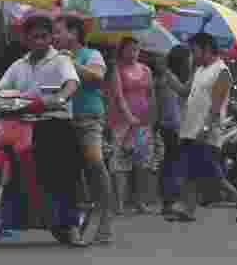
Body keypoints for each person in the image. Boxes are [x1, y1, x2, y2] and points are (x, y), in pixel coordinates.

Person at [0, 15, 84, 245]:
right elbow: (0, 88)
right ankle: (4, 220)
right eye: (35, 37)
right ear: (26, 39)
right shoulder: (18, 65)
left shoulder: (61, 61)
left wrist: (61, 97)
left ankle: (70, 225)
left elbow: (72, 83)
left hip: (54, 122)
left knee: (62, 173)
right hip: (22, 123)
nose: (40, 42)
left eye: (45, 37)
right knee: (9, 164)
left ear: (51, 37)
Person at [166, 33, 237, 222]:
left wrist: (205, 129)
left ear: (206, 49)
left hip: (206, 130)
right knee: (191, 171)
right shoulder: (199, 70)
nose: (193, 55)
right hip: (190, 127)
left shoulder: (221, 71)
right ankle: (187, 209)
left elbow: (216, 105)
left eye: (195, 51)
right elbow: (183, 90)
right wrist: (165, 72)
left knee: (210, 172)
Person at [54, 15, 114, 244]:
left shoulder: (92, 55)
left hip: (88, 119)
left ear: (74, 33)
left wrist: (72, 63)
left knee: (95, 163)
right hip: (59, 119)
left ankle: (106, 222)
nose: (55, 36)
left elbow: (98, 77)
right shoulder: (54, 57)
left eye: (59, 31)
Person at [107, 38, 160, 215]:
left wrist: (151, 117)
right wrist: (130, 118)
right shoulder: (117, 69)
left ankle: (140, 201)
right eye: (129, 49)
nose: (133, 53)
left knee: (142, 162)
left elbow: (151, 95)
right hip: (122, 123)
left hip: (143, 123)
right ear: (122, 51)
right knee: (120, 163)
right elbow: (119, 96)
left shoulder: (146, 70)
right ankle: (120, 203)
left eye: (136, 50)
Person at [156, 45, 192, 217]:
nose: (191, 61)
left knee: (171, 163)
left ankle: (170, 201)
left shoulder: (172, 78)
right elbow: (171, 109)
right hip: (172, 127)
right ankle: (169, 201)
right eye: (189, 57)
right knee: (172, 164)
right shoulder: (169, 79)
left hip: (172, 126)